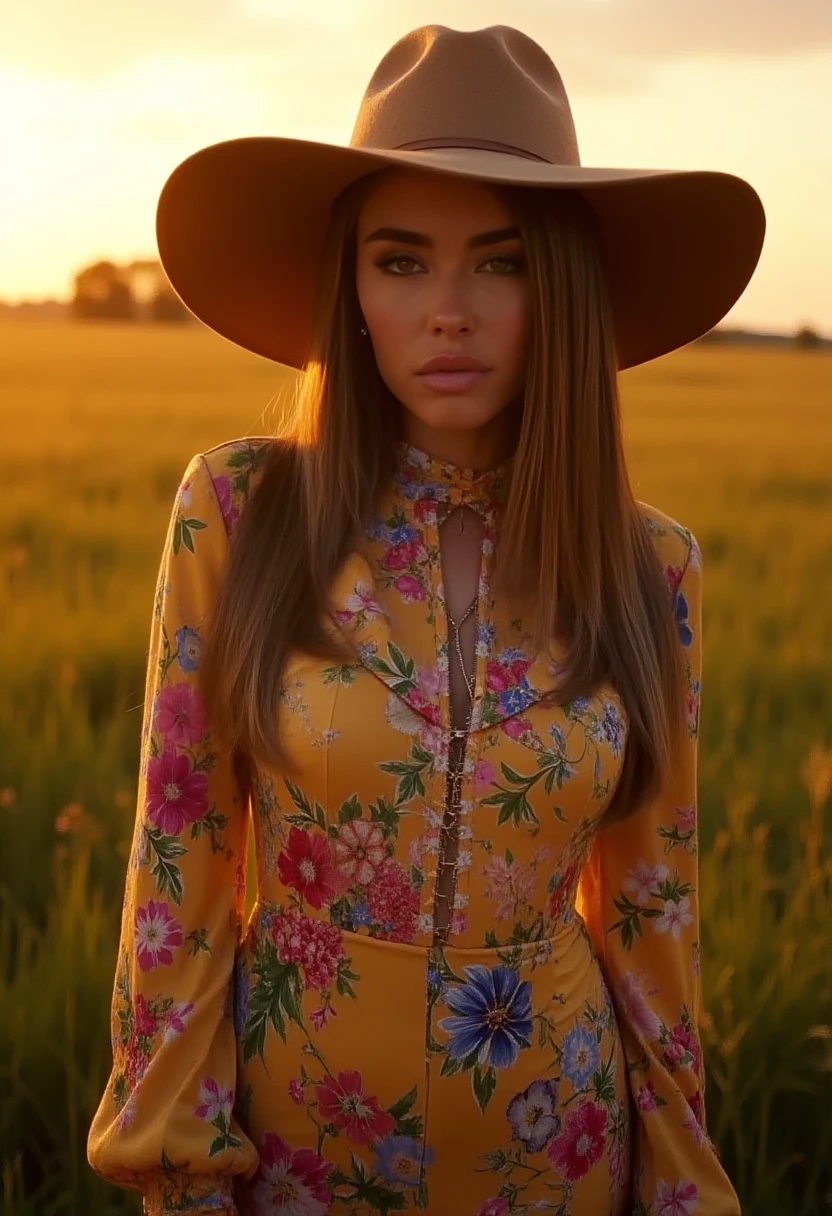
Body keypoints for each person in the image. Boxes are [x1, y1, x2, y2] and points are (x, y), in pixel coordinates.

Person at [87, 23, 764, 1216]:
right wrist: (183, 1168)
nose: (447, 311)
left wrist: (681, 1188)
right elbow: (178, 865)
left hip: (557, 1157)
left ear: (557, 284)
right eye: (401, 262)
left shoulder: (650, 568)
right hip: (289, 1153)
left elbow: (654, 909)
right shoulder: (240, 514)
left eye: (498, 263)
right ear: (347, 283)